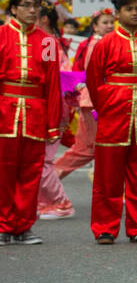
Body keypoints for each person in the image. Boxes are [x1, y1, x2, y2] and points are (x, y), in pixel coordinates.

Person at [84, 0, 137, 244]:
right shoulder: (105, 43)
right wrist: (107, 106)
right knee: (108, 177)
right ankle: (105, 228)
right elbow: (94, 81)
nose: (135, 13)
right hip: (113, 117)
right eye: (129, 9)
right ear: (118, 13)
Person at [0, 0, 62, 245]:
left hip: (35, 114)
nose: (32, 10)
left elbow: (52, 84)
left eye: (36, 5)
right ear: (13, 8)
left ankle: (23, 227)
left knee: (31, 173)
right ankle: (4, 226)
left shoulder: (47, 42)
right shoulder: (1, 36)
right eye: (26, 5)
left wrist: (52, 124)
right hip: (5, 113)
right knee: (4, 173)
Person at [56, 9, 115, 179]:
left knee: (102, 147)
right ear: (95, 27)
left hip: (102, 100)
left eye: (112, 22)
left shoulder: (100, 43)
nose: (110, 26)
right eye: (105, 22)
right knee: (87, 149)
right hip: (94, 101)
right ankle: (48, 177)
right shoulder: (97, 45)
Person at [35, 4, 75, 221]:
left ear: (43, 20)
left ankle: (61, 202)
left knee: (43, 160)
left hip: (52, 107)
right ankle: (43, 201)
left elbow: (57, 78)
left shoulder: (49, 44)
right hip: (34, 106)